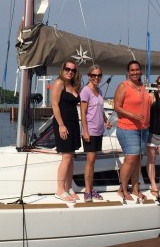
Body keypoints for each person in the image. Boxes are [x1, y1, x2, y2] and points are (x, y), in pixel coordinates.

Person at [113, 60, 150, 204]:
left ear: (140, 71)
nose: (135, 72)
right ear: (128, 72)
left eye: (137, 69)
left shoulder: (142, 86)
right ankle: (122, 189)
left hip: (143, 129)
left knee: (137, 160)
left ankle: (135, 189)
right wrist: (132, 115)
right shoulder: (123, 86)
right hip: (127, 128)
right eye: (132, 70)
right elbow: (117, 107)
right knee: (131, 158)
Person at [51, 60, 82, 202]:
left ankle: (69, 187)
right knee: (66, 157)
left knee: (71, 157)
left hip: (74, 123)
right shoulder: (59, 83)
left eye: (73, 70)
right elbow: (55, 105)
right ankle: (60, 190)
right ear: (62, 69)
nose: (70, 72)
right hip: (63, 124)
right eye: (67, 69)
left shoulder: (74, 85)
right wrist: (61, 125)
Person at [80, 64, 111, 202]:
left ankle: (91, 188)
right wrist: (85, 131)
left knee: (94, 161)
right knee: (90, 161)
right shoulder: (85, 91)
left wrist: (106, 120)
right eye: (94, 75)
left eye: (99, 75)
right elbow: (83, 112)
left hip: (99, 131)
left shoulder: (99, 91)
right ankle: (87, 191)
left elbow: (100, 109)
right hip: (90, 131)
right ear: (89, 76)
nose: (97, 77)